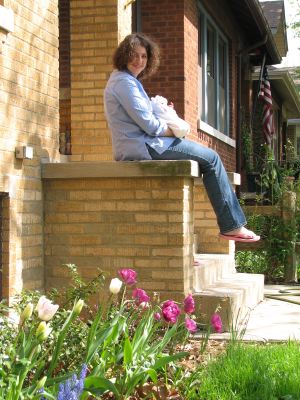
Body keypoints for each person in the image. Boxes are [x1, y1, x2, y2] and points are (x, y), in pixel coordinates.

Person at [104, 33, 260, 243]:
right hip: (145, 146)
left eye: (143, 56)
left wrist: (162, 110)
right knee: (212, 158)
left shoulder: (126, 81)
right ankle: (231, 226)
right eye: (134, 55)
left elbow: (143, 115)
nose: (139, 60)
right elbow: (149, 125)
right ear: (124, 55)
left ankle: (188, 244)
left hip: (141, 144)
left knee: (204, 156)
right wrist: (173, 129)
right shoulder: (124, 82)